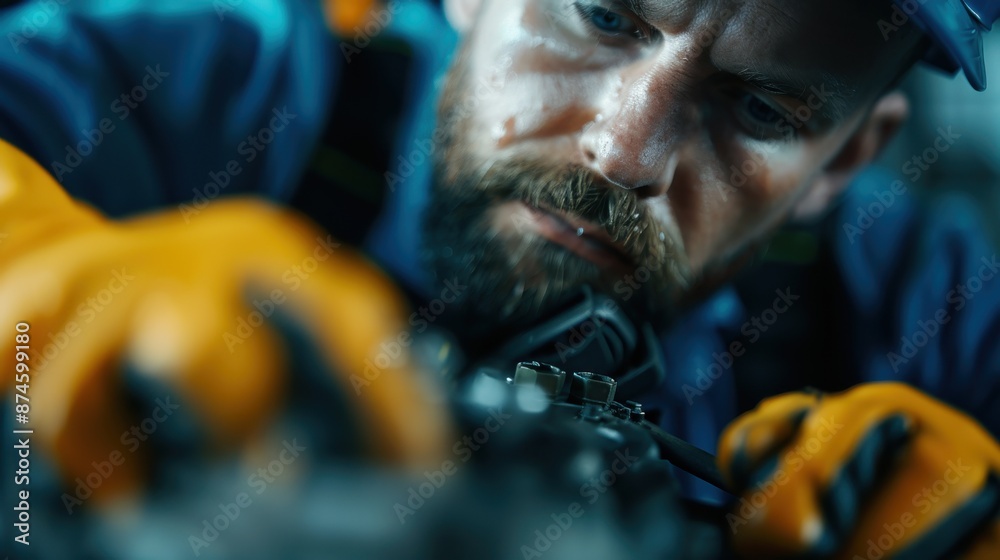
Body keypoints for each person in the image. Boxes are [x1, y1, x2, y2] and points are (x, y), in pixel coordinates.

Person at [1, 0, 998, 557]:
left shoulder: (923, 302)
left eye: (762, 110)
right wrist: (43, 267)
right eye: (603, 16)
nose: (624, 150)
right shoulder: (217, 82)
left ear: (844, 162)